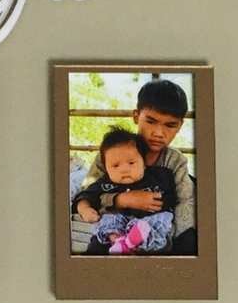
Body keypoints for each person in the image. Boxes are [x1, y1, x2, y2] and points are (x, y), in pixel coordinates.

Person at [73, 77, 196, 253]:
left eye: (170, 125)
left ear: (180, 126)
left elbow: (185, 203)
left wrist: (165, 240)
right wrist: (120, 200)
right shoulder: (112, 154)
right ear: (136, 116)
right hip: (115, 231)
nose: (159, 133)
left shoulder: (175, 161)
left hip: (157, 233)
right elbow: (88, 195)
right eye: (151, 121)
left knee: (189, 240)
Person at [72, 126, 177, 253]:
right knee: (107, 222)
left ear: (144, 163)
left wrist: (160, 201)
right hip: (117, 227)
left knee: (161, 220)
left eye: (131, 163)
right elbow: (86, 195)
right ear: (106, 168)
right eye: (115, 165)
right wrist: (84, 209)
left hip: (147, 224)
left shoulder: (158, 177)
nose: (124, 170)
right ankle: (117, 240)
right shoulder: (105, 183)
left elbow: (172, 198)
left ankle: (133, 241)